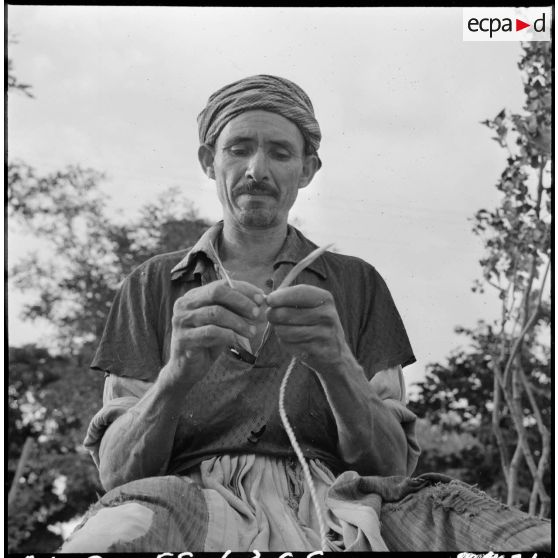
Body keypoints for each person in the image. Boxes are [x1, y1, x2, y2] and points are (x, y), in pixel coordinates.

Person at [61, 75, 550, 553]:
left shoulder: (356, 283)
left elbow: (393, 467)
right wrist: (176, 376)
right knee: (114, 533)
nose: (257, 169)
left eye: (279, 152)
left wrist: (337, 365)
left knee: (491, 529)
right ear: (209, 161)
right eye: (238, 148)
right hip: (185, 499)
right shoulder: (151, 284)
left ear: (308, 169)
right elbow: (118, 476)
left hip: (342, 503)